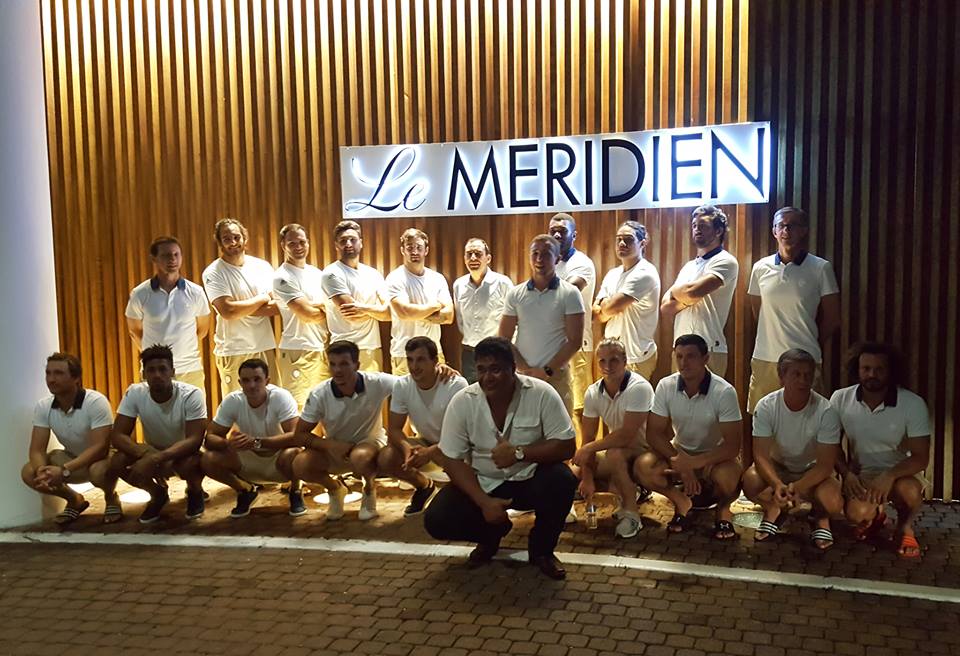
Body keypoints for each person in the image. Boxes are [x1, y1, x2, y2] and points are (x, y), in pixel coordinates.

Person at [424, 337, 577, 580]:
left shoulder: (541, 393)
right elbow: (452, 460)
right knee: (437, 519)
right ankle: (491, 535)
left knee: (563, 480)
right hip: (484, 481)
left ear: (512, 368)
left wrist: (520, 453)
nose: (487, 377)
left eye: (495, 369)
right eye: (481, 369)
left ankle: (542, 551)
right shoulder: (463, 402)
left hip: (530, 479)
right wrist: (484, 502)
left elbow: (567, 446)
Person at [634, 335, 743, 540]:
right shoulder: (666, 385)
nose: (684, 362)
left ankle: (723, 511)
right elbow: (654, 433)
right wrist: (682, 463)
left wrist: (694, 463)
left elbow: (732, 446)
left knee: (729, 478)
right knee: (644, 465)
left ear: (705, 358)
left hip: (714, 457)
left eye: (691, 356)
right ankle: (682, 502)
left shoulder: (724, 391)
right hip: (679, 451)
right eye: (679, 356)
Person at [831, 343, 931, 558]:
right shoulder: (840, 398)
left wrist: (890, 475)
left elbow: (921, 458)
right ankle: (876, 517)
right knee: (855, 514)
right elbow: (831, 445)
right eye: (866, 368)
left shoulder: (913, 403)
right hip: (864, 473)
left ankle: (905, 527)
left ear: (891, 371)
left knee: (909, 493)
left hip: (901, 473)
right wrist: (846, 474)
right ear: (857, 370)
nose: (872, 374)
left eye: (879, 369)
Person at [742, 349, 843, 550]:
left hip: (813, 471)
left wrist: (796, 487)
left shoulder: (826, 411)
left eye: (807, 375)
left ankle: (821, 518)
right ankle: (773, 509)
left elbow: (825, 465)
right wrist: (777, 484)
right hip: (779, 466)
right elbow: (760, 455)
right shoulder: (766, 406)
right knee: (750, 480)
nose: (803, 380)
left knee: (832, 501)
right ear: (782, 377)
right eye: (796, 374)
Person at [292, 340, 399, 521]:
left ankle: (369, 489)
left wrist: (441, 370)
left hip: (369, 444)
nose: (337, 370)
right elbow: (299, 435)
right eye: (333, 364)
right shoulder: (319, 393)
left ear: (357, 365)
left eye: (344, 364)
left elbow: (410, 383)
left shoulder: (376, 382)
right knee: (300, 464)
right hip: (335, 449)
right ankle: (335, 489)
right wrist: (330, 445)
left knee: (360, 456)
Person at [746, 207, 840, 412]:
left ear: (804, 230)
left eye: (792, 225)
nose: (786, 230)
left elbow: (833, 318)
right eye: (781, 225)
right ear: (774, 231)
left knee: (810, 418)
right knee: (763, 417)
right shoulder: (760, 267)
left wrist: (810, 341)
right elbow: (758, 312)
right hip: (766, 357)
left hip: (805, 359)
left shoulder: (820, 268)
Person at [105, 345, 208, 523]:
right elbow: (118, 435)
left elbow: (195, 440)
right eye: (151, 370)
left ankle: (195, 491)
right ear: (144, 374)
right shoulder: (135, 393)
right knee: (117, 461)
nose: (157, 375)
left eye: (162, 369)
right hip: (151, 451)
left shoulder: (191, 394)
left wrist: (156, 459)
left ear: (172, 372)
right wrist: (145, 454)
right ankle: (157, 494)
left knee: (191, 462)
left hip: (183, 454)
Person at [202, 358, 306, 518]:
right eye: (246, 380)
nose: (252, 385)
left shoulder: (281, 397)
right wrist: (228, 443)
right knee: (208, 459)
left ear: (267, 381)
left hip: (278, 459)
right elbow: (210, 437)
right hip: (247, 459)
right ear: (240, 382)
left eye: (257, 379)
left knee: (295, 454)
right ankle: (244, 490)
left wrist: (257, 442)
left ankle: (296, 490)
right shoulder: (233, 400)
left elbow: (297, 436)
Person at [571, 339, 654, 539]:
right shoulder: (593, 392)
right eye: (602, 361)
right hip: (618, 450)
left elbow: (626, 434)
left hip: (646, 452)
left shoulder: (639, 387)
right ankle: (626, 492)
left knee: (614, 454)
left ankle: (632, 514)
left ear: (625, 361)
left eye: (614, 360)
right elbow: (588, 438)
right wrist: (587, 478)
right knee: (573, 470)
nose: (607, 366)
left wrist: (588, 448)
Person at [21, 353, 116, 525]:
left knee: (98, 472)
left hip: (102, 458)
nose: (51, 379)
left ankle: (111, 497)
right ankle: (74, 500)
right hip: (71, 457)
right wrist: (41, 471)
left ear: (76, 378)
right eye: (48, 373)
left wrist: (64, 470)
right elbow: (36, 449)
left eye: (58, 373)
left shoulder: (95, 401)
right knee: (29, 472)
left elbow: (100, 447)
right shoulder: (44, 406)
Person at [379, 336, 468, 515]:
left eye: (420, 359)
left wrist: (430, 452)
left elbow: (464, 433)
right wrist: (407, 449)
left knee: (452, 508)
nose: (414, 366)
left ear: (435, 361)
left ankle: (463, 496)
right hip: (426, 443)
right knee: (386, 458)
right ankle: (424, 486)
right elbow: (394, 429)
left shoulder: (455, 384)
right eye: (410, 360)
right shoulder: (403, 385)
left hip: (458, 447)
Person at [497, 235, 585, 414]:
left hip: (556, 375)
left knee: (560, 428)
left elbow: (575, 341)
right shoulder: (515, 294)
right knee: (523, 427)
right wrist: (525, 369)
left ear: (557, 258)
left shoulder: (570, 294)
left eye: (546, 254)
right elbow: (504, 338)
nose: (539, 259)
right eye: (535, 253)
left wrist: (547, 371)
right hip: (522, 376)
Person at [202, 218, 279, 396]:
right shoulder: (213, 272)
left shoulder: (262, 267)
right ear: (220, 243)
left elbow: (278, 307)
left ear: (245, 238)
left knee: (271, 401)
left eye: (237, 237)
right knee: (237, 405)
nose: (233, 242)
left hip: (263, 345)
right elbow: (227, 311)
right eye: (227, 239)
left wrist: (241, 309)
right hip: (233, 349)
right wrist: (262, 298)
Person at [660, 206, 738, 378]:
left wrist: (681, 294)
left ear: (718, 231)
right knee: (678, 395)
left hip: (709, 347)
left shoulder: (725, 261)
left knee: (709, 395)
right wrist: (687, 296)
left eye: (703, 226)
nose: (697, 229)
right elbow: (665, 307)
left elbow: (693, 292)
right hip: (680, 347)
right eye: (694, 225)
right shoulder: (689, 266)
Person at [126, 236, 212, 391]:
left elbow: (202, 329)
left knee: (194, 407)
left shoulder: (196, 292)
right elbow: (135, 331)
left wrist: (182, 350)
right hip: (154, 370)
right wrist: (154, 356)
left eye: (176, 254)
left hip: (189, 368)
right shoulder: (140, 294)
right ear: (154, 259)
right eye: (166, 255)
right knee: (153, 407)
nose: (172, 259)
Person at [549, 213, 597, 435]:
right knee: (559, 404)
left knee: (579, 407)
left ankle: (582, 453)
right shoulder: (552, 263)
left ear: (574, 235)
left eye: (563, 231)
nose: (557, 235)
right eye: (553, 231)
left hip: (576, 345)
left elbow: (565, 294)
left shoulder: (581, 263)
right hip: (554, 346)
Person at [594, 221, 661, 381]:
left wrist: (608, 306)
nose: (622, 243)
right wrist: (609, 308)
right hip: (611, 354)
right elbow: (597, 314)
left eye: (628, 239)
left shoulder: (645, 272)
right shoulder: (612, 274)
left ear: (642, 243)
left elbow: (610, 308)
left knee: (634, 397)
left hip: (636, 355)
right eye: (619, 239)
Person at [321, 220, 391, 372]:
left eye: (353, 239)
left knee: (374, 389)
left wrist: (363, 308)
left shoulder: (373, 273)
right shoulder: (331, 274)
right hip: (342, 350)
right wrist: (376, 310)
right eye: (343, 240)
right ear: (336, 245)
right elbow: (352, 315)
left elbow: (389, 314)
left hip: (372, 348)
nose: (348, 244)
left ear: (361, 242)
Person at [273, 223, 329, 409]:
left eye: (302, 242)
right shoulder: (282, 277)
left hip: (322, 347)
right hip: (297, 350)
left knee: (324, 408)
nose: (298, 247)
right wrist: (326, 309)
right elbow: (307, 314)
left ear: (308, 243)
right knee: (300, 409)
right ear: (283, 246)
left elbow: (331, 308)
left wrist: (322, 307)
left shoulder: (317, 274)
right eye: (292, 243)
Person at [385, 228, 454, 375]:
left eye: (419, 247)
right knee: (405, 391)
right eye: (410, 247)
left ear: (426, 250)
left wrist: (415, 313)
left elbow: (449, 316)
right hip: (404, 353)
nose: (414, 252)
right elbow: (404, 313)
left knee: (438, 390)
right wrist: (436, 306)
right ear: (402, 250)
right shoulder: (395, 278)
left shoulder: (437, 278)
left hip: (434, 352)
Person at [452, 238, 513, 383]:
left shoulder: (503, 283)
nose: (473, 258)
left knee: (499, 392)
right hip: (470, 354)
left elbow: (514, 320)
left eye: (478, 254)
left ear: (488, 258)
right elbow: (460, 321)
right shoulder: (459, 285)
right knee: (472, 393)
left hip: (497, 352)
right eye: (469, 254)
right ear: (464, 258)